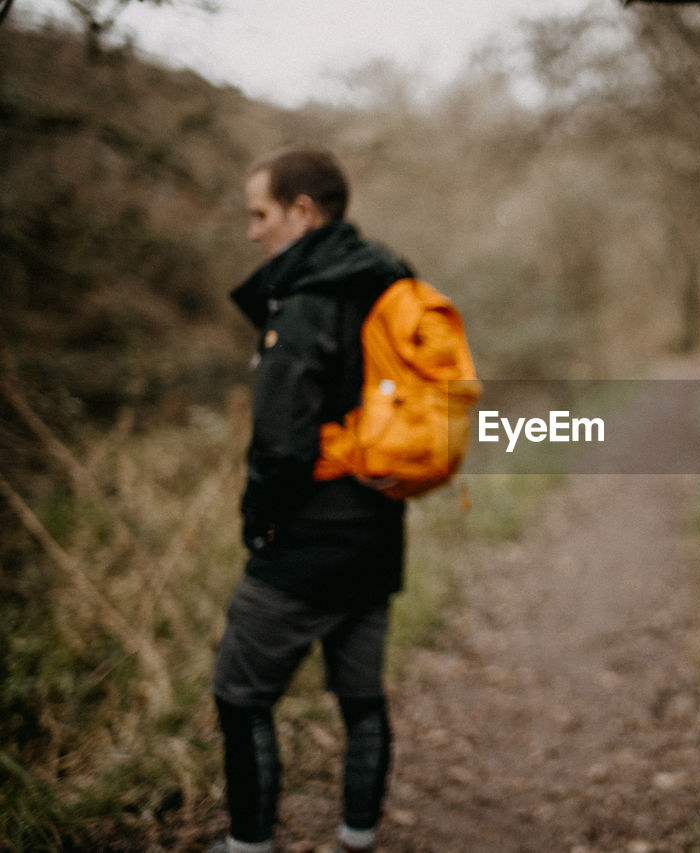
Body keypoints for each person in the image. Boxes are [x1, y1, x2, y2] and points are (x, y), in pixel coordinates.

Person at [210, 146, 413, 853]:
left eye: (259, 213)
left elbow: (283, 446)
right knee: (361, 697)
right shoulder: (391, 283)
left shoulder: (303, 303)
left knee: (240, 694)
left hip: (303, 544)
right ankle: (359, 835)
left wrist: (258, 524)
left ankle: (248, 844)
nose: (252, 231)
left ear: (303, 210)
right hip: (379, 532)